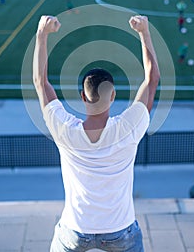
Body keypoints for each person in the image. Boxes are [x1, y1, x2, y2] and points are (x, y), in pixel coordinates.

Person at [33, 15, 160, 252]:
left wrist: (42, 34)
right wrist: (145, 32)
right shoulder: (128, 128)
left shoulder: (65, 130)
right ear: (112, 96)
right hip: (121, 230)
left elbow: (40, 82)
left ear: (82, 96)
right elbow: (152, 80)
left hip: (74, 231)